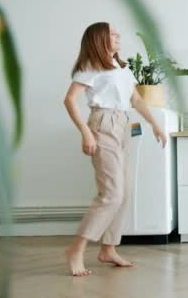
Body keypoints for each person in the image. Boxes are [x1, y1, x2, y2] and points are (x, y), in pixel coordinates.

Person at [63, 22, 167, 276]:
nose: (118, 36)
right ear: (99, 39)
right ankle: (75, 250)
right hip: (102, 123)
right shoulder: (91, 66)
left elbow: (136, 99)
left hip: (122, 124)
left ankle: (108, 248)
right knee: (111, 193)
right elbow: (69, 99)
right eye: (112, 33)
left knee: (125, 190)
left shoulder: (121, 67)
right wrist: (86, 133)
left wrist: (155, 124)